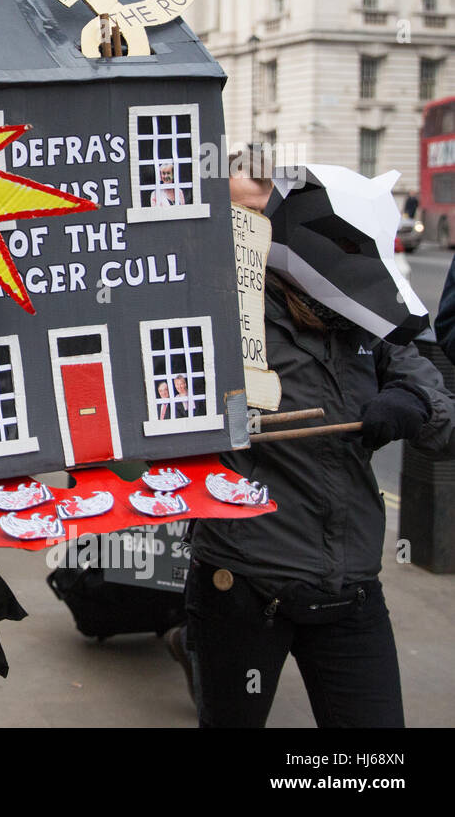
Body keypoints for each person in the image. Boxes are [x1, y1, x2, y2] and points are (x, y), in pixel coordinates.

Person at [182, 161, 455, 727]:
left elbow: (444, 421)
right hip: (242, 586)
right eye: (237, 216)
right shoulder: (216, 308)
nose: (248, 227)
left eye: (258, 213)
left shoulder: (371, 311)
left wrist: (413, 402)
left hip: (350, 585)